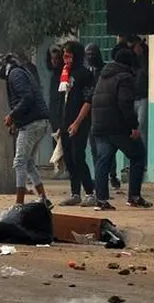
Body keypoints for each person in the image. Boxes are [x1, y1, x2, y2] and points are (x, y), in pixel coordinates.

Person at [90, 48, 151, 210]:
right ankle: (134, 197)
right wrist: (133, 126)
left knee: (103, 161)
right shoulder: (125, 77)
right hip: (117, 126)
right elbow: (125, 103)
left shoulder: (103, 75)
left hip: (99, 124)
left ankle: (101, 200)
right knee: (138, 155)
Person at [0, 53, 51, 207]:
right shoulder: (20, 71)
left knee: (19, 162)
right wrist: (16, 121)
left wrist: (12, 116)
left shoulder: (15, 74)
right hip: (39, 122)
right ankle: (43, 199)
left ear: (1, 67)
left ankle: (19, 204)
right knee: (29, 162)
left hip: (32, 123)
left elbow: (27, 98)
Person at [55, 41, 96, 208]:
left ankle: (90, 193)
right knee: (69, 158)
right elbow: (62, 100)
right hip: (65, 122)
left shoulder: (85, 74)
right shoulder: (64, 73)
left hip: (80, 122)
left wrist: (77, 122)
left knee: (78, 156)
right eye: (64, 55)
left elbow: (88, 101)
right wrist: (60, 123)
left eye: (69, 56)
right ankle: (75, 193)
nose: (65, 59)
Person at [85, 43, 120, 190]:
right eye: (88, 54)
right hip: (91, 115)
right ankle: (100, 178)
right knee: (95, 149)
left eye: (93, 54)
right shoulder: (88, 73)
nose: (90, 57)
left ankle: (112, 174)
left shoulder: (106, 71)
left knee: (108, 149)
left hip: (106, 114)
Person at [45, 45, 68, 180]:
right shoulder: (54, 75)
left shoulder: (64, 74)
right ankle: (59, 167)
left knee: (64, 140)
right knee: (56, 139)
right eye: (52, 59)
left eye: (56, 59)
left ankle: (65, 168)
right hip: (54, 112)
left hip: (62, 112)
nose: (54, 61)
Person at [130, 35, 149, 154]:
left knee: (141, 126)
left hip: (142, 96)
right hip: (132, 97)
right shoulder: (130, 58)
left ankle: (142, 154)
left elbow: (146, 71)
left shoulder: (145, 56)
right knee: (132, 129)